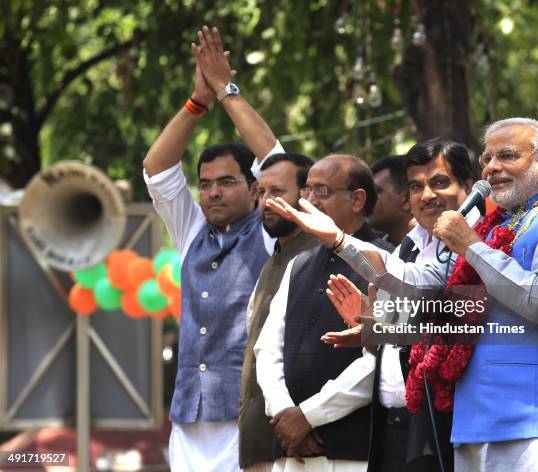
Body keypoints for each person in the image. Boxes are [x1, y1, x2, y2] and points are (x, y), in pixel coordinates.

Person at [267, 117, 538, 471]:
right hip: (473, 420)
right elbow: (430, 294)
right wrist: (340, 243)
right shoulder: (496, 229)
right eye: (487, 158)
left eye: (507, 155)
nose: (492, 167)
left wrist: (471, 246)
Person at [143, 25, 285, 471]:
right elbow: (157, 167)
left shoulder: (270, 230)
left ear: (253, 187)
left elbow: (277, 162)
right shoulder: (191, 231)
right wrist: (195, 103)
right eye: (205, 184)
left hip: (250, 414)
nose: (213, 193)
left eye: (227, 182)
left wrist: (226, 90)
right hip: (189, 420)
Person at [334, 138, 478, 471]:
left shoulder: (481, 242)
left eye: (439, 183)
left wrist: (336, 239)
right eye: (417, 186)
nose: (427, 195)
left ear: (468, 186)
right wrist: (369, 328)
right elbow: (398, 330)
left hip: (448, 420)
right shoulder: (408, 247)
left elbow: (454, 325)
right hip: (393, 423)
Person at [254, 154, 394, 472]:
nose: (311, 200)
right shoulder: (298, 264)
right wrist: (286, 414)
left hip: (352, 451)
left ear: (357, 199)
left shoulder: (387, 261)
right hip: (292, 449)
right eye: (307, 191)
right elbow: (267, 350)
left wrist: (309, 415)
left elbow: (383, 358)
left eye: (323, 191)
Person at [239, 152, 320, 472]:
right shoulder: (273, 261)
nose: (266, 201)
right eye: (261, 192)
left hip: (301, 444)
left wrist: (304, 420)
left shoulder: (317, 256)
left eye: (277, 192)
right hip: (260, 442)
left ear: (306, 195)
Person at [368, 156, 416, 246]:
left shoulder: (439, 250)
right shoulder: (374, 250)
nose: (367, 198)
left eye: (376, 191)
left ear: (407, 200)